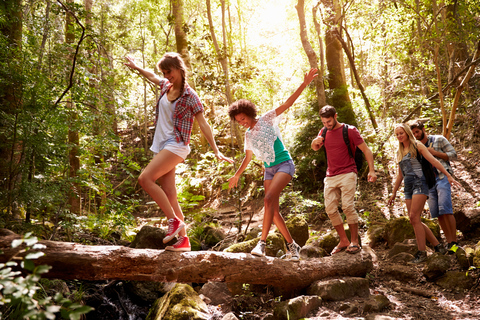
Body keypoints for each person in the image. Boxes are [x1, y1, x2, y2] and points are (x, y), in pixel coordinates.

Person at [125, 53, 233, 252]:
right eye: (164, 72)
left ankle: (173, 221)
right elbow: (151, 76)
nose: (167, 75)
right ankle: (184, 241)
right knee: (170, 194)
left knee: (145, 179)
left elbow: (203, 124)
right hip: (164, 145)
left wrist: (216, 150)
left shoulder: (190, 96)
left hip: (177, 144)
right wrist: (136, 67)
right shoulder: (166, 86)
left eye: (169, 71)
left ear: (179, 68)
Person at [227, 68, 318, 261]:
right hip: (269, 169)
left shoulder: (267, 119)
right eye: (238, 121)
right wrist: (236, 175)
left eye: (242, 118)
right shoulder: (248, 135)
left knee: (268, 199)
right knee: (273, 211)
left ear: (249, 113)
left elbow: (288, 103)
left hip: (284, 164)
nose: (241, 122)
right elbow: (248, 157)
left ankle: (262, 243)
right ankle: (292, 246)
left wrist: (305, 83)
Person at [387, 123, 461, 263]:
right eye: (397, 134)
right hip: (408, 187)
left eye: (401, 133)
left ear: (407, 132)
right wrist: (393, 192)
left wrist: (448, 175)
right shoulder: (400, 151)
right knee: (414, 219)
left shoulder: (418, 146)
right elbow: (400, 175)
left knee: (415, 216)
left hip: (420, 184)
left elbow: (433, 161)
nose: (399, 136)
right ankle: (437, 246)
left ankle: (422, 253)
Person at [311, 105, 377, 255]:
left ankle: (354, 241)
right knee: (330, 209)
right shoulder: (324, 132)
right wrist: (315, 142)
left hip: (348, 172)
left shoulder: (350, 130)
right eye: (323, 122)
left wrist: (372, 170)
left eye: (329, 121)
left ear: (335, 116)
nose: (327, 125)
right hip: (330, 175)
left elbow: (366, 150)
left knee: (347, 206)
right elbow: (315, 147)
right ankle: (343, 240)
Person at [409, 120, 459, 254]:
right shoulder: (415, 146)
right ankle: (449, 243)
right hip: (428, 182)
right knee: (437, 213)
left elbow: (454, 155)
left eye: (417, 132)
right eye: (413, 133)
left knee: (446, 209)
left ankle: (454, 242)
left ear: (423, 129)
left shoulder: (438, 139)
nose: (416, 135)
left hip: (442, 177)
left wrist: (434, 152)